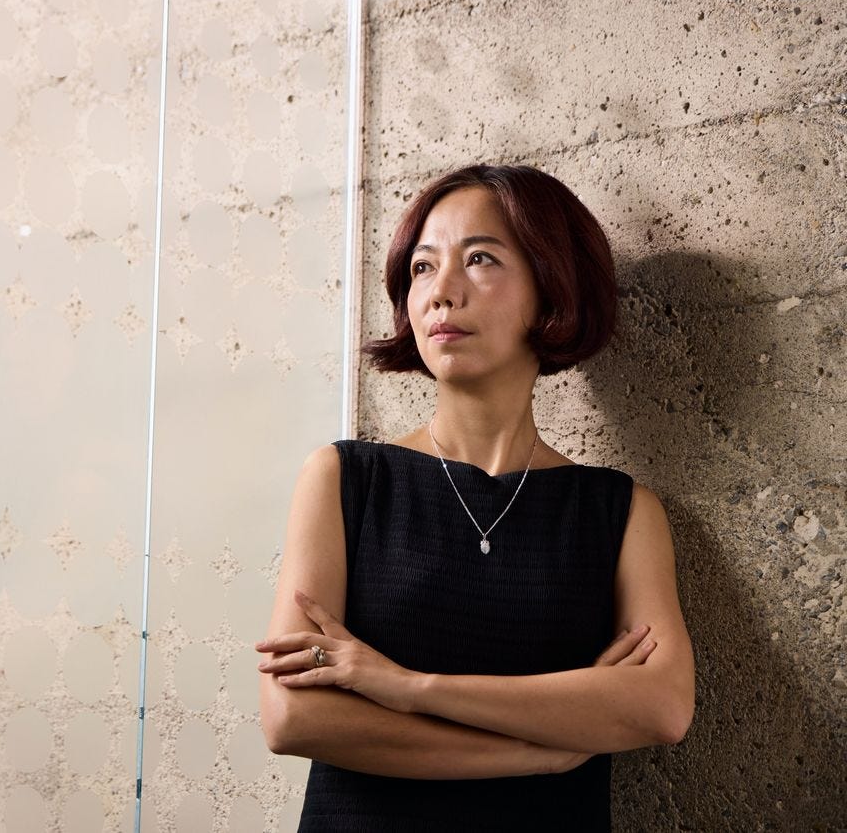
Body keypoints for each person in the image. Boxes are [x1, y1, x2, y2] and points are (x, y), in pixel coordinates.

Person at [255, 164, 695, 831]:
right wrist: (539, 753)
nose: (440, 293)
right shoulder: (346, 480)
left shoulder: (620, 512)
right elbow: (293, 716)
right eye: (423, 268)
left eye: (480, 259)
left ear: (551, 291)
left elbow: (660, 707)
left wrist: (408, 688)